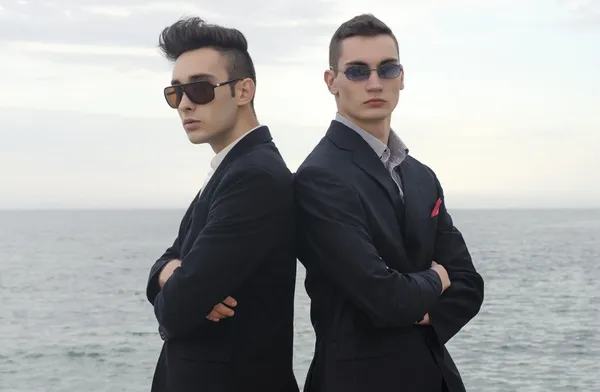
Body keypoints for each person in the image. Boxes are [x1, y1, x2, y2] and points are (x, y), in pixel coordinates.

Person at [294, 14, 484, 392]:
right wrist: (436, 278)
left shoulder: (421, 175)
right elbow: (384, 299)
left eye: (387, 68)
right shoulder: (319, 177)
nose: (375, 83)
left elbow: (469, 284)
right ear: (331, 81)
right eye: (357, 71)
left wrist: (423, 304)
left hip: (436, 377)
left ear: (402, 77)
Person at [145, 17, 299, 392]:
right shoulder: (233, 169)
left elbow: (177, 309)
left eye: (199, 89)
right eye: (174, 93)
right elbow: (169, 265)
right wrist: (170, 273)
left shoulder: (254, 176)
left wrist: (180, 284)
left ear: (244, 90)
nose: (184, 104)